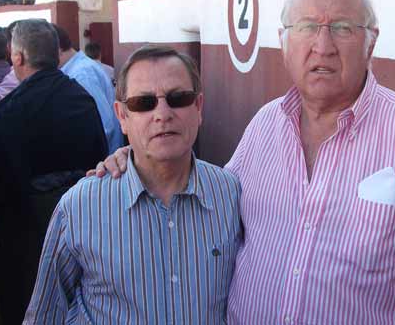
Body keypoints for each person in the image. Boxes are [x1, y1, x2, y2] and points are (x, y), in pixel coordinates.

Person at [95, 0, 395, 324]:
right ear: (285, 42)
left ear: (372, 40)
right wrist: (140, 164)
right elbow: (213, 205)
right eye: (307, 27)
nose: (323, 46)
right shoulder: (266, 125)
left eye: (343, 29)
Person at [24, 45, 241, 324]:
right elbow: (44, 315)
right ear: (122, 116)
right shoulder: (80, 207)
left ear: (198, 107)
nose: (162, 114)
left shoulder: (232, 196)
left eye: (178, 98)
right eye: (143, 103)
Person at [0, 19, 108, 325]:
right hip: (80, 226)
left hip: (25, 232)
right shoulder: (81, 100)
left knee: (24, 303)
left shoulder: (11, 110)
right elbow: (99, 156)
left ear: (17, 58)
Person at [55, 24, 123, 153]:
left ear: (57, 49)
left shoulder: (81, 75)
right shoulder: (78, 68)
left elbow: (104, 125)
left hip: (102, 162)